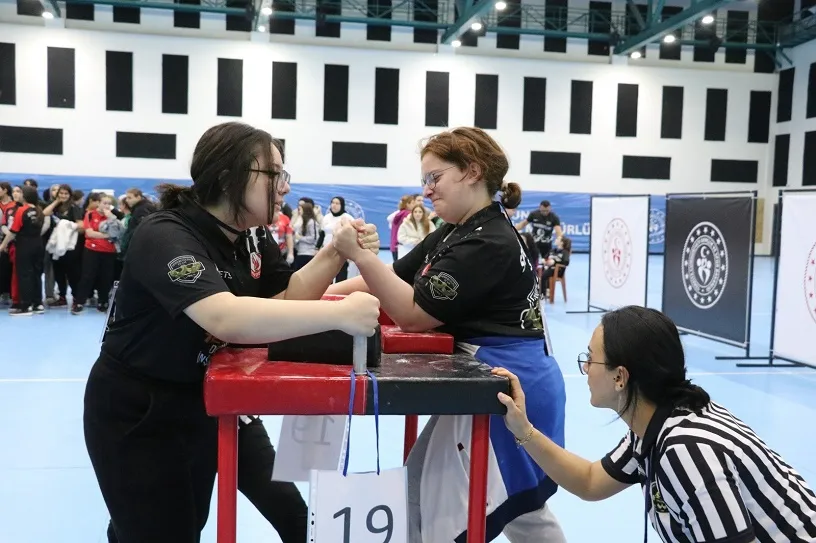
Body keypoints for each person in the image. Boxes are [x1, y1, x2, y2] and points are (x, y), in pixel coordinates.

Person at [83, 121, 383, 543]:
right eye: (273, 175)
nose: (284, 187)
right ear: (228, 178)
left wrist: (336, 253)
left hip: (206, 397)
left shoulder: (252, 237)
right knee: (159, 530)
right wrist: (339, 315)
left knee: (183, 525)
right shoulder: (166, 235)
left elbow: (286, 296)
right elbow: (224, 318)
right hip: (141, 410)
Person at [327, 126, 567, 543]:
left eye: (434, 178)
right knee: (514, 509)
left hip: (509, 387)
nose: (426, 191)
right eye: (424, 180)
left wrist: (359, 255)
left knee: (443, 505)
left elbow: (414, 313)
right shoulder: (458, 229)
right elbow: (391, 278)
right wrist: (317, 298)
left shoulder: (487, 241)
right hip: (490, 380)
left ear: (471, 172)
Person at [494, 305, 816, 543]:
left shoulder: (687, 452)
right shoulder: (656, 425)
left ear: (620, 377)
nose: (586, 367)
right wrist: (524, 430)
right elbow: (590, 482)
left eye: (591, 358)